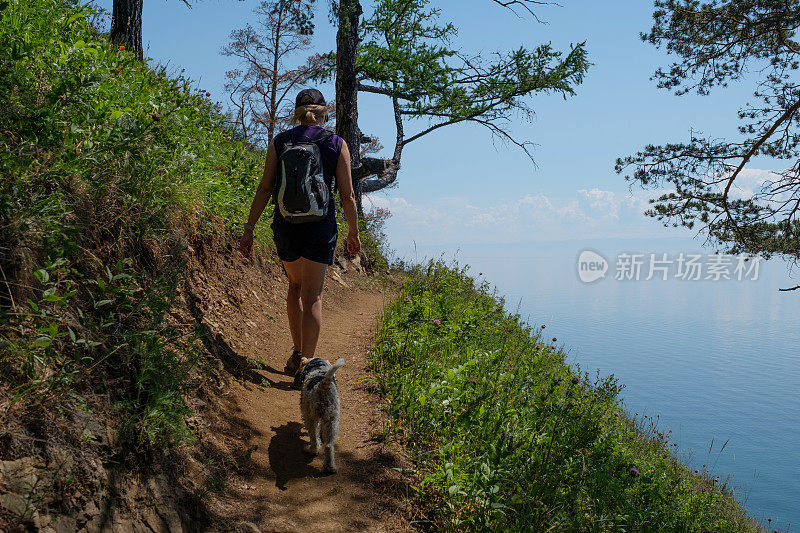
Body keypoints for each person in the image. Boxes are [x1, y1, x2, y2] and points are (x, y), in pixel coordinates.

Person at [239, 88, 361, 375]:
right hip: (320, 227)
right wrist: (353, 232)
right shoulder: (335, 142)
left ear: (297, 112)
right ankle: (307, 362)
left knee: (295, 287)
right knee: (313, 295)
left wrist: (249, 228)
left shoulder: (281, 141)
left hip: (286, 226)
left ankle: (296, 354)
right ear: (324, 111)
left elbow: (265, 188)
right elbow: (347, 195)